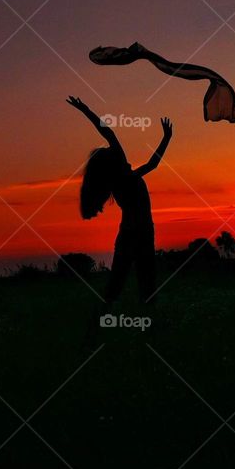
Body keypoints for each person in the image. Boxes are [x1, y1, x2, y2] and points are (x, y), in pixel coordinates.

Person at [66, 96, 172, 324]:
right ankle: (139, 318)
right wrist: (166, 138)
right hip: (140, 231)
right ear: (117, 163)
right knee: (141, 277)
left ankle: (108, 315)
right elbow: (109, 134)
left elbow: (112, 136)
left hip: (130, 231)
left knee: (121, 276)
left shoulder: (123, 179)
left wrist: (85, 110)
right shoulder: (127, 177)